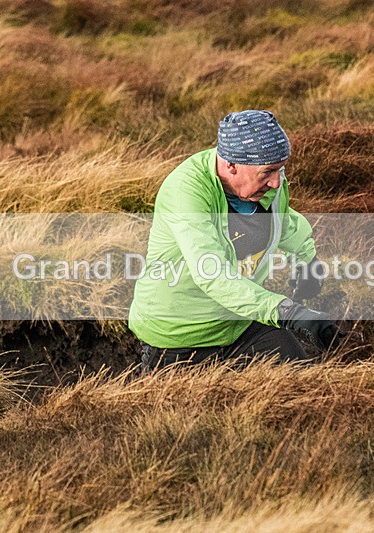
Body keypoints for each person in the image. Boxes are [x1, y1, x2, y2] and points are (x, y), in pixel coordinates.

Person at [128, 110, 339, 371]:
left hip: (242, 324)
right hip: (178, 337)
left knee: (303, 390)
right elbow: (212, 274)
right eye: (268, 172)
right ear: (231, 165)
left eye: (281, 169)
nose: (276, 182)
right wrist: (288, 312)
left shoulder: (268, 185)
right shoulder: (186, 191)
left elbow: (283, 221)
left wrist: (307, 261)